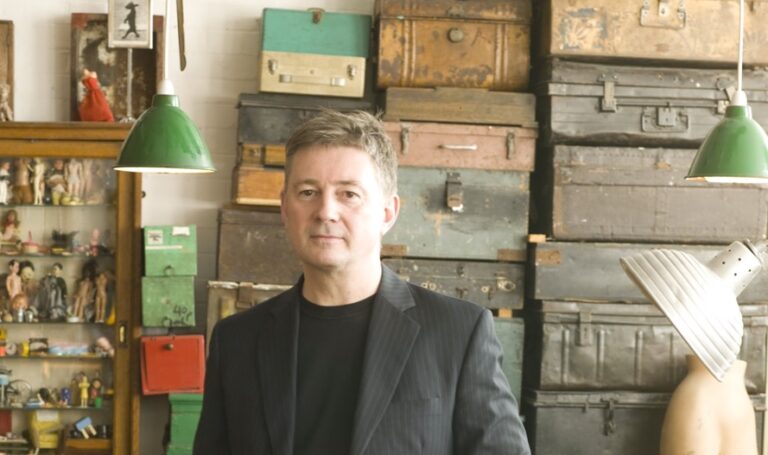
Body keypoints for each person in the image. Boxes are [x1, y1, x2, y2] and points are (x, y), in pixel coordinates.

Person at [193, 110, 530, 454]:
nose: (325, 211)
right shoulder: (236, 342)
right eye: (308, 192)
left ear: (388, 212)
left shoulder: (459, 332)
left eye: (348, 194)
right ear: (284, 208)